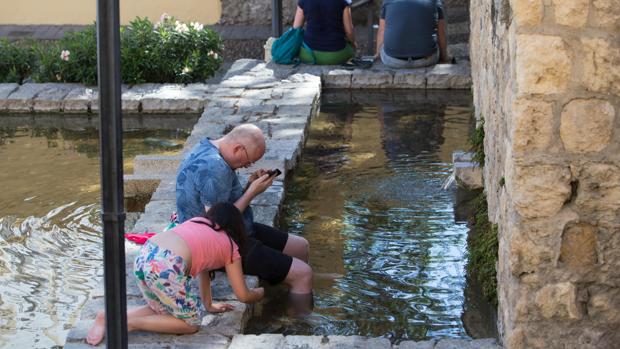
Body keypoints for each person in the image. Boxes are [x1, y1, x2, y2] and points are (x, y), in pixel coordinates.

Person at [85, 203, 264, 346]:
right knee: (192, 324)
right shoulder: (230, 245)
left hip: (146, 254)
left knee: (162, 309)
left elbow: (204, 269)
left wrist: (208, 304)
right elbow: (242, 295)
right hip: (166, 266)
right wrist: (260, 292)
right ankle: (129, 324)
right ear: (237, 227)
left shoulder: (197, 223)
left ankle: (107, 316)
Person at [175, 124, 313, 301]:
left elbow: (223, 205)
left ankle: (286, 292)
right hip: (218, 243)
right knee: (304, 274)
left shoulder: (206, 146)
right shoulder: (215, 167)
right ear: (238, 148)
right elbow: (215, 224)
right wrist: (251, 192)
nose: (248, 165)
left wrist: (249, 185)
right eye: (249, 160)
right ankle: (297, 322)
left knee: (301, 246)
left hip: (238, 229)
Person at [376, 0, 449, 68]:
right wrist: (444, 58)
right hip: (427, 60)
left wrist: (378, 55)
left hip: (393, 61)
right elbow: (441, 32)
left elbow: (382, 30)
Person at [293, 0, 356, 65]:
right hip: (336, 55)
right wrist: (354, 44)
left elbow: (296, 28)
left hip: (308, 55)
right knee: (351, 51)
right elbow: (349, 32)